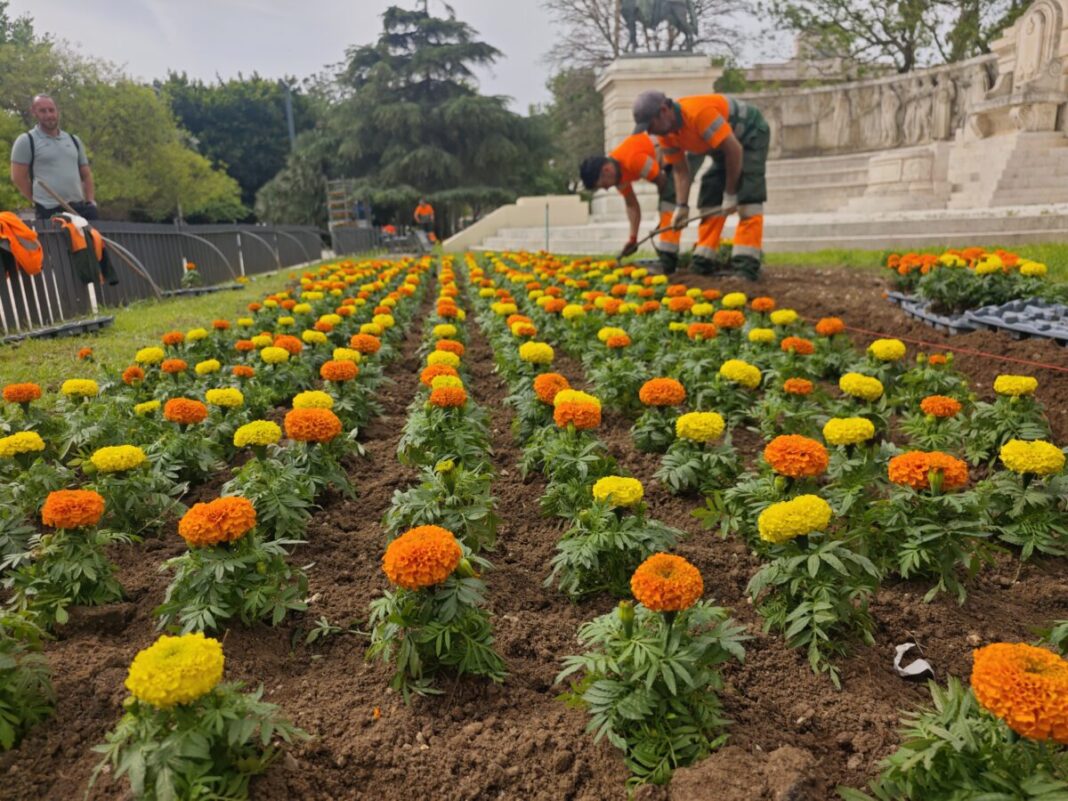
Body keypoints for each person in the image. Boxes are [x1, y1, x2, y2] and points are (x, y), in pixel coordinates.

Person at [633, 89, 770, 280]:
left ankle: (746, 268)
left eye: (650, 125)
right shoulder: (667, 134)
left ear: (664, 110)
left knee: (748, 198)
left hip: (750, 135)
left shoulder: (698, 114)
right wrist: (682, 206)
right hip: (724, 146)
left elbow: (735, 150)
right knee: (710, 191)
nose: (650, 132)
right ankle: (704, 260)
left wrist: (730, 193)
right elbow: (681, 171)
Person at [579, 133, 686, 273]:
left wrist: (664, 214)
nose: (606, 188)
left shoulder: (632, 159)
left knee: (668, 205)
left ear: (606, 170)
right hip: (664, 163)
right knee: (666, 205)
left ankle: (668, 262)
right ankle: (668, 261)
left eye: (603, 184)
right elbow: (631, 205)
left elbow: (662, 181)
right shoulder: (618, 176)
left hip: (677, 149)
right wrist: (633, 238)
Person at [10, 95, 98, 221]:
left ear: (57, 111)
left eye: (51, 110)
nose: (48, 115)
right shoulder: (26, 140)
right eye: (43, 111)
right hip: (50, 210)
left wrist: (90, 201)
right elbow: (18, 178)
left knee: (96, 240)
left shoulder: (74, 140)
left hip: (79, 209)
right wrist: (38, 200)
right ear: (34, 112)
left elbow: (86, 175)